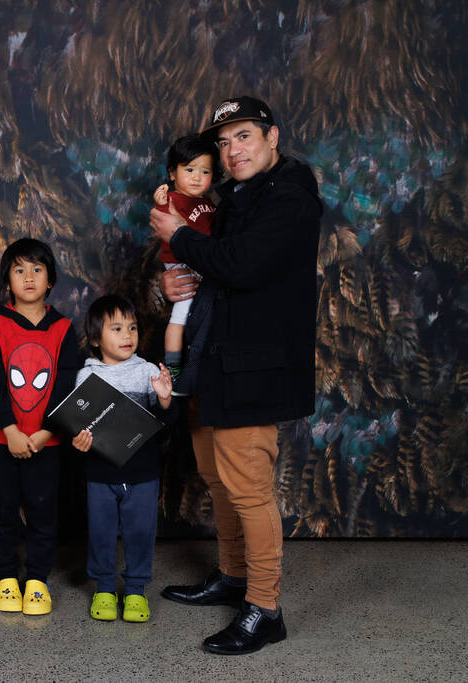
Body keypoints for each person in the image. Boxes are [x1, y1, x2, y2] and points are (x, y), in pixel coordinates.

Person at [149, 96, 322, 655]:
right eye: (223, 143)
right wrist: (169, 283)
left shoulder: (291, 195)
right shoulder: (234, 197)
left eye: (243, 136)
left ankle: (265, 609)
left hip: (254, 366)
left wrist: (178, 235)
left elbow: (242, 265)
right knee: (216, 475)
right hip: (213, 357)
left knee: (248, 487)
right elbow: (209, 269)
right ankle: (233, 576)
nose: (231, 151)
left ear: (272, 136)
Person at [0, 238, 79, 616]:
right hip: (2, 438)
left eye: (37, 270)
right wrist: (9, 429)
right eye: (19, 270)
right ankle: (5, 576)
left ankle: (38, 578)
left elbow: (66, 384)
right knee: (2, 510)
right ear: (8, 280)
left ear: (50, 280)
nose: (28, 278)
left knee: (42, 511)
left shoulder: (63, 328)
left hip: (45, 440)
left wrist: (46, 431)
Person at [70, 295, 175, 623]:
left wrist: (165, 399)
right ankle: (103, 588)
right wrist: (79, 442)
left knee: (140, 532)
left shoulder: (148, 372)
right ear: (95, 338)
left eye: (132, 328)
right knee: (101, 532)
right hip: (100, 473)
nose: (128, 335)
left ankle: (135, 591)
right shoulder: (86, 378)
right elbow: (81, 429)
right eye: (116, 329)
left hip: (142, 473)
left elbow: (167, 424)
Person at [152, 134, 218, 394]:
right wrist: (161, 202)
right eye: (189, 170)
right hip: (181, 266)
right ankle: (173, 368)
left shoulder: (208, 203)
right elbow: (162, 220)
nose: (197, 177)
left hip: (204, 266)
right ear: (172, 173)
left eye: (205, 171)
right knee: (182, 314)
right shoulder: (173, 199)